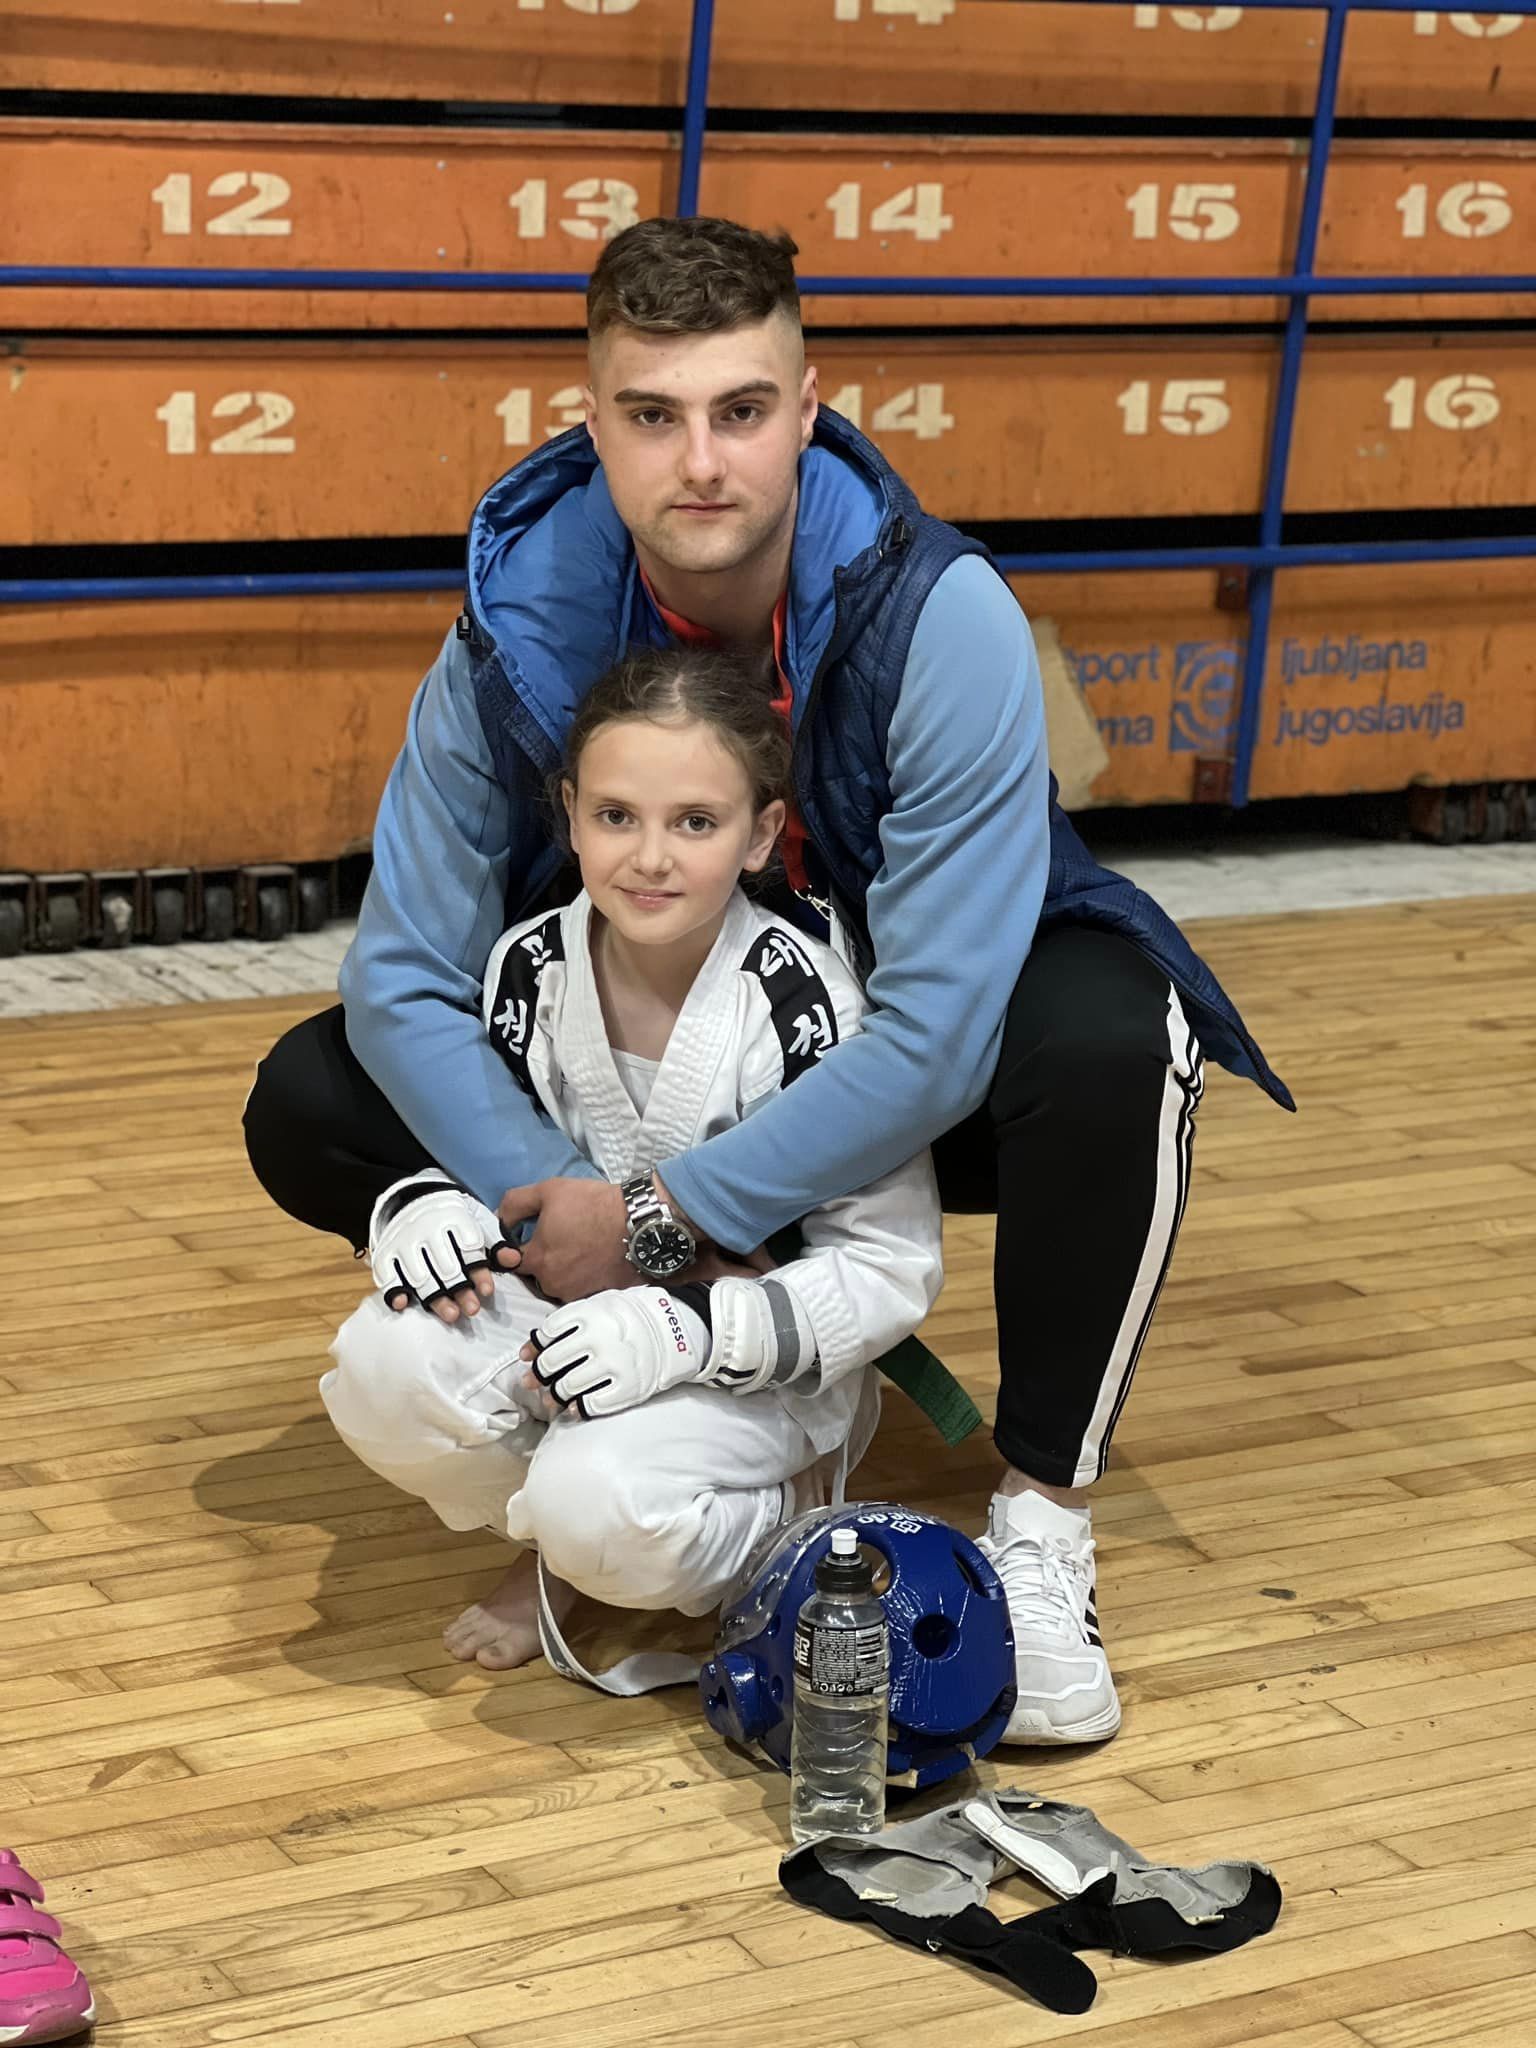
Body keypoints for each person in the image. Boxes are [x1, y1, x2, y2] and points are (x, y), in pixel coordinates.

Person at [244, 214, 1291, 1746]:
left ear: (809, 408)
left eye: (740, 410)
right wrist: (558, 1196)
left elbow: (938, 1031)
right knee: (313, 1095)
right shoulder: (514, 623)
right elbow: (402, 969)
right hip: (641, 1068)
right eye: (652, 416)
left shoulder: (941, 615)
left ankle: (1040, 1527)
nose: (701, 464)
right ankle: (582, 1466)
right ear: (590, 421)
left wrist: (664, 1221)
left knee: (1114, 1031)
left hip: (895, 1093)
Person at [320, 645, 942, 1673]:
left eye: (695, 822)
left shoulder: (806, 1003)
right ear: (569, 815)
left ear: (762, 834)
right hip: (576, 1321)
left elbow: (886, 1270)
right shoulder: (530, 966)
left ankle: (775, 1514)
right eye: (617, 815)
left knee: (600, 1507)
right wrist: (429, 1206)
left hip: (758, 1360)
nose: (650, 857)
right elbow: (502, 1176)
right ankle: (557, 1543)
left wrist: (682, 1328)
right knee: (383, 1369)